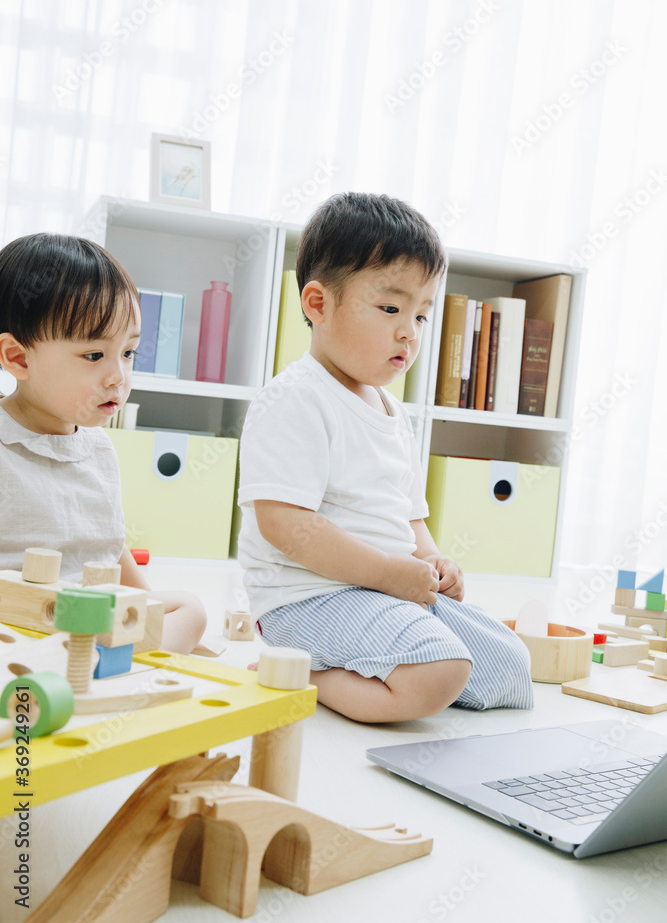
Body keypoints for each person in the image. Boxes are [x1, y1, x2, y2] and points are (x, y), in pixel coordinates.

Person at [238, 192, 533, 722]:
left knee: (511, 664)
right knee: (440, 670)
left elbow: (408, 519)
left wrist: (433, 563)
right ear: (317, 304)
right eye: (392, 309)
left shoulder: (394, 413)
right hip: (307, 598)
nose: (408, 332)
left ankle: (389, 665)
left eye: (421, 315)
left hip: (383, 591)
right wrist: (387, 575)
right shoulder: (296, 399)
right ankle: (298, 670)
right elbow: (284, 524)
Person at [0, 233, 207, 654]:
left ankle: (112, 657)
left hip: (94, 614)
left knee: (191, 609)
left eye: (128, 353)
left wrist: (144, 606)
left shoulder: (98, 448)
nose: (118, 377)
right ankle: (108, 660)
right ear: (19, 358)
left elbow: (108, 545)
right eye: (94, 356)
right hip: (20, 618)